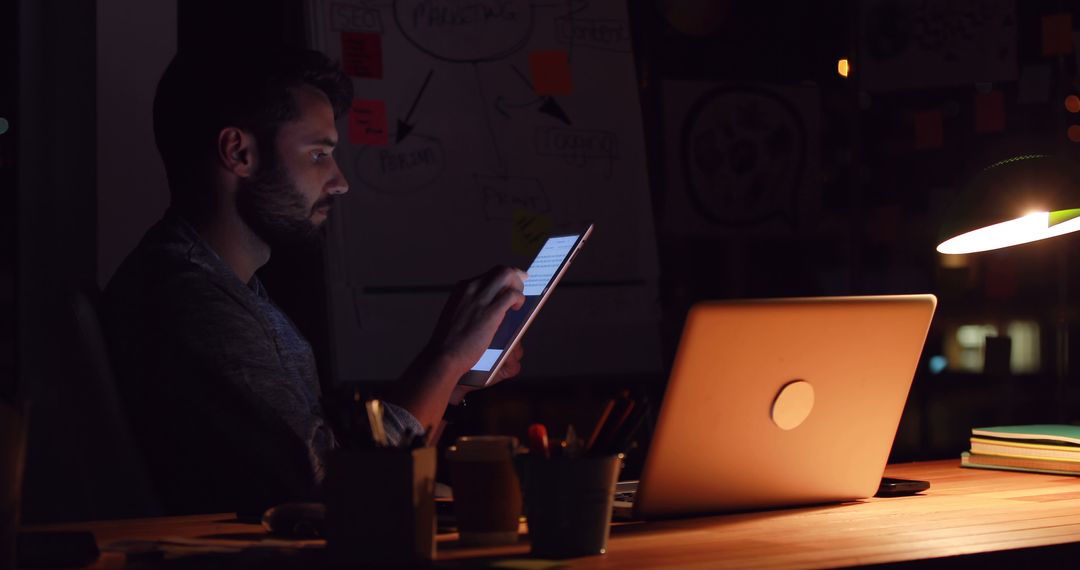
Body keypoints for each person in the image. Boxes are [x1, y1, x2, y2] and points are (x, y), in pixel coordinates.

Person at [102, 46, 526, 515]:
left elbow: (330, 453)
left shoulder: (224, 286)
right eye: (319, 154)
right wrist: (444, 359)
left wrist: (456, 383)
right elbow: (343, 491)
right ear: (239, 153)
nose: (339, 181)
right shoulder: (190, 301)